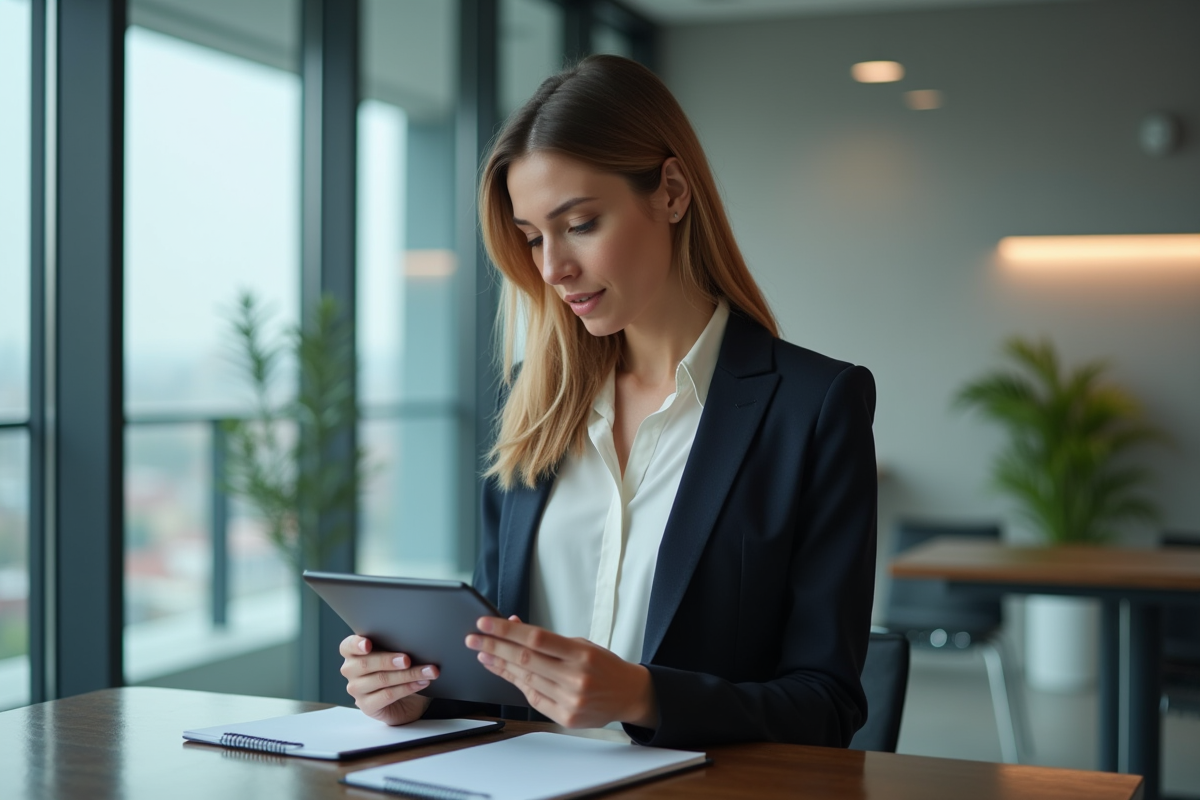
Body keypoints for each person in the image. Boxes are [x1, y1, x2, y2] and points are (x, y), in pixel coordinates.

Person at [339, 54, 877, 749]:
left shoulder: (813, 406)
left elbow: (827, 706)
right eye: (532, 237)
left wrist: (644, 696)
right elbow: (497, 661)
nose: (552, 268)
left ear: (673, 191)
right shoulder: (533, 404)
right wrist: (419, 693)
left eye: (581, 223)